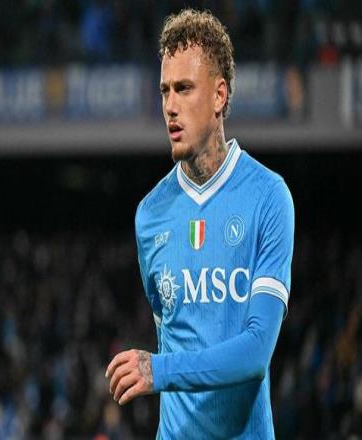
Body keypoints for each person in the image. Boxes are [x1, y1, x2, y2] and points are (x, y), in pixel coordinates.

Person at [105, 8, 294, 439]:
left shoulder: (268, 197)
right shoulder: (150, 215)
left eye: (184, 89)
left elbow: (255, 353)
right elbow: (172, 332)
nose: (170, 106)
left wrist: (159, 370)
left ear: (219, 96)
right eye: (164, 91)